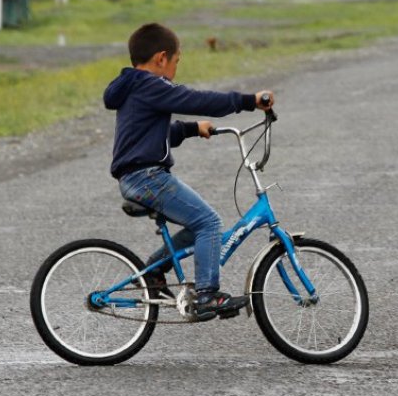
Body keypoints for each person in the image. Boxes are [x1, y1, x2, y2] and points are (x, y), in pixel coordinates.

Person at [103, 22, 274, 321]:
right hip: (148, 177)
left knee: (197, 226)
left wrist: (193, 129)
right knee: (209, 222)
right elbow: (197, 99)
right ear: (161, 58)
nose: (175, 70)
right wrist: (249, 101)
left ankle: (154, 273)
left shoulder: (135, 88)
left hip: (136, 177)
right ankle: (208, 295)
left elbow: (152, 134)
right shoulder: (152, 84)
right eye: (176, 62)